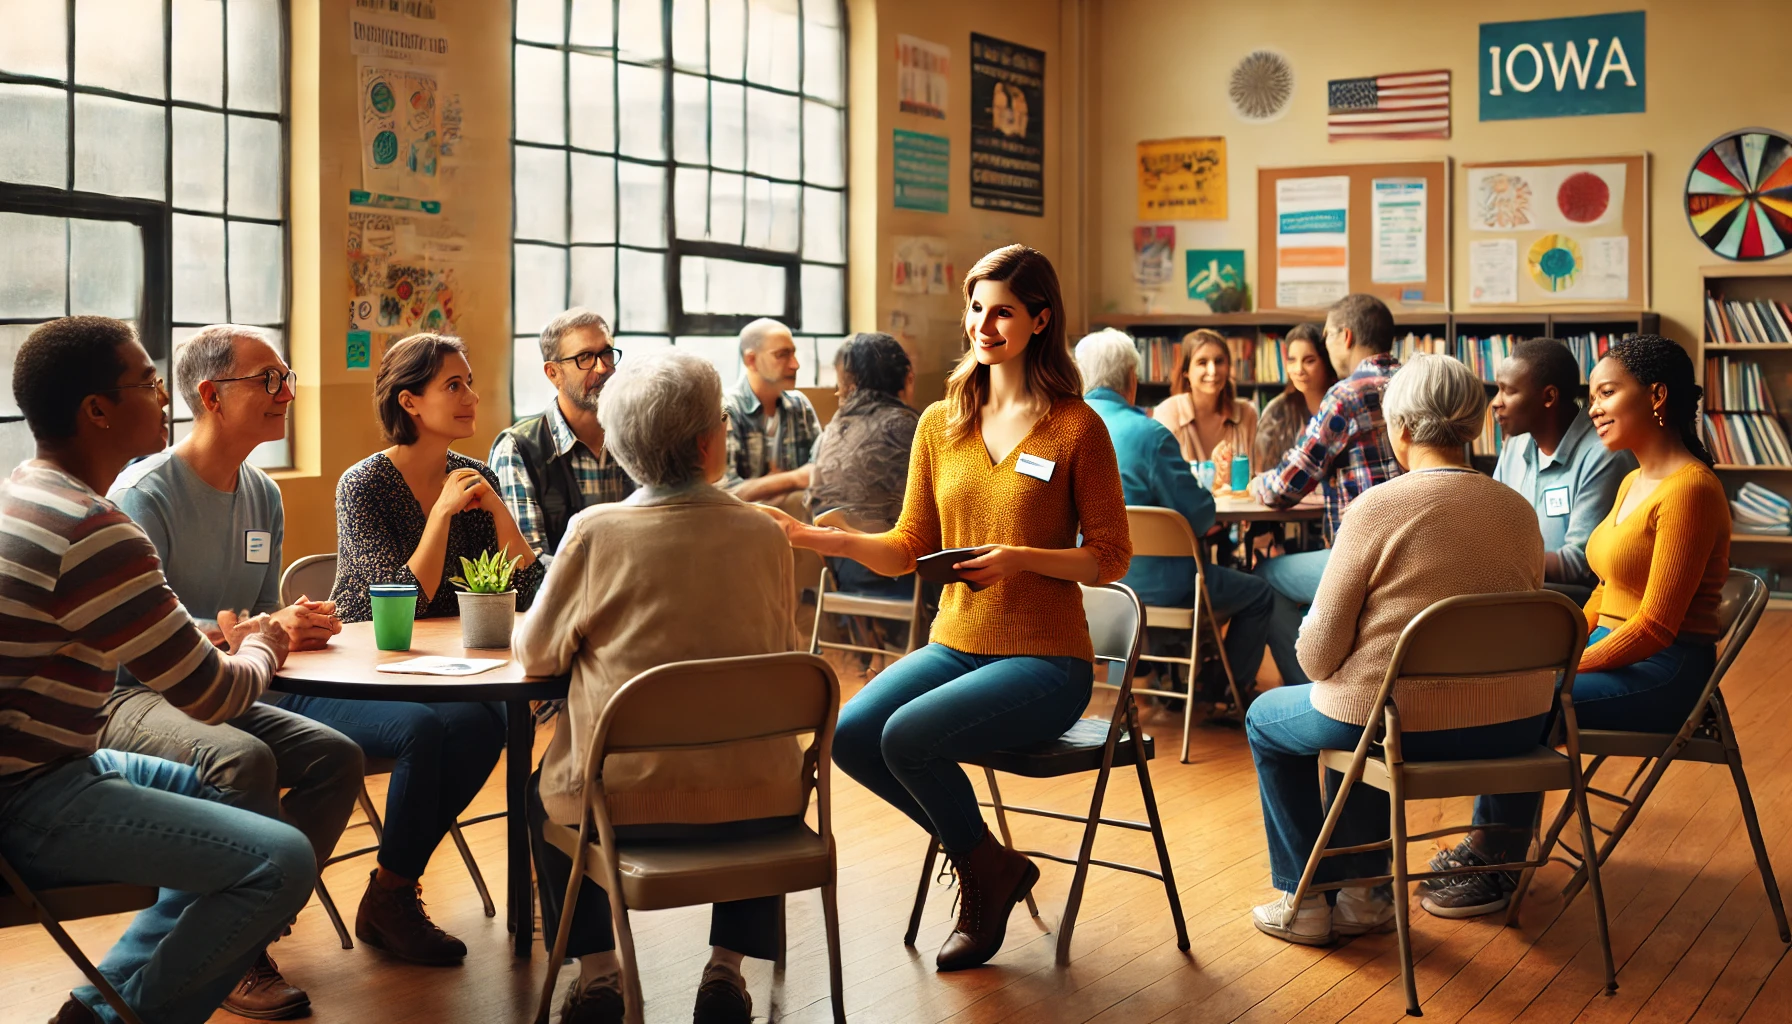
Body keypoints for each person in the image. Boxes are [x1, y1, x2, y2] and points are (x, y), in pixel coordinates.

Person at [760, 245, 1131, 973]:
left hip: (1048, 659)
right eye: (975, 308)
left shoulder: (1077, 427)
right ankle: (986, 860)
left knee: (906, 737)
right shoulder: (941, 422)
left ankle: (980, 872)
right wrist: (816, 537)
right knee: (853, 733)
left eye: (1002, 311)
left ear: (1039, 320)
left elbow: (1111, 557)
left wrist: (1024, 558)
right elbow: (907, 549)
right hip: (957, 640)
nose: (982, 324)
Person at [0, 316, 314, 1024]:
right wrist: (267, 640)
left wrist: (233, 634)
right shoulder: (97, 527)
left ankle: (95, 1006)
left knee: (227, 793)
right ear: (97, 411)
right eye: (146, 381)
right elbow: (214, 694)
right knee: (282, 860)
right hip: (30, 795)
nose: (164, 395)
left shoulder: (28, 487)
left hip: (57, 766)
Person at [517, 349, 805, 1024]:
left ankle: (598, 976)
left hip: (621, 807)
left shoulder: (595, 533)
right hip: (764, 802)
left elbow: (535, 654)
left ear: (622, 448)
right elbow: (781, 657)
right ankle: (725, 973)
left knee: (539, 794)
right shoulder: (767, 534)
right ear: (709, 443)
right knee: (759, 751)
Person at [102, 325, 362, 1019]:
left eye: (287, 378)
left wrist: (292, 623)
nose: (286, 394)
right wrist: (254, 633)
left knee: (336, 758)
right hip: (130, 692)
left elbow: (248, 622)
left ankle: (237, 924)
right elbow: (134, 639)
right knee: (242, 760)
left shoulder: (262, 494)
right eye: (269, 380)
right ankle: (236, 948)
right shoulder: (143, 494)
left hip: (215, 682)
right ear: (212, 396)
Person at [1244, 353, 1549, 946]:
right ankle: (1364, 896)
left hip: (1398, 724)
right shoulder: (1518, 511)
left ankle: (1308, 900)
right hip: (1515, 725)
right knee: (1366, 704)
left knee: (1282, 717)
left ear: (1400, 429)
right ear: (1475, 426)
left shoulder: (1377, 508)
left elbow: (1315, 659)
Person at [1422, 335, 1731, 919]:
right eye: (1591, 395)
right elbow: (1605, 591)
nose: (1592, 408)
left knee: (1525, 698)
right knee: (1515, 678)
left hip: (1664, 671)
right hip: (1611, 646)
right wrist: (1562, 643)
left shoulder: (1690, 489)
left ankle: (1497, 859)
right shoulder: (1632, 481)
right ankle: (1495, 844)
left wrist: (1565, 666)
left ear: (1657, 396)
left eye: (1607, 393)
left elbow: (1657, 627)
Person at [294, 334, 545, 965]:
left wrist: (500, 516)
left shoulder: (477, 476)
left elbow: (532, 590)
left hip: (447, 668)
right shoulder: (365, 486)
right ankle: (393, 896)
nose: (471, 396)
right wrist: (439, 519)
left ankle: (390, 890)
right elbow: (400, 600)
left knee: (487, 724)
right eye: (453, 385)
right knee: (430, 731)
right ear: (410, 401)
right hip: (365, 671)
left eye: (469, 382)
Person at [1074, 328, 1293, 698]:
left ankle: (1138, 678)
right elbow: (1201, 515)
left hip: (1086, 583)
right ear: (1132, 377)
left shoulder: (1057, 429)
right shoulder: (1151, 435)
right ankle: (1226, 691)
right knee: (1258, 594)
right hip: (1163, 587)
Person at [1248, 294, 1406, 687]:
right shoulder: (1417, 382)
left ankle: (1312, 691)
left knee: (1265, 576)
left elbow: (1286, 485)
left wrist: (1257, 483)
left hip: (1360, 559)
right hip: (1415, 553)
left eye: (1328, 336)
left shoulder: (1347, 394)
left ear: (1345, 336)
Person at [489, 308, 638, 566]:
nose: (602, 367)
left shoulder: (638, 435)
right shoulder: (518, 449)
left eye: (606, 353)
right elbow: (529, 564)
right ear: (553, 373)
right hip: (563, 604)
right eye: (585, 357)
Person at [1491, 338, 1636, 602]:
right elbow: (1492, 525)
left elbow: (1581, 563)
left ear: (1549, 397)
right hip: (1515, 595)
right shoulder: (1515, 444)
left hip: (1571, 605)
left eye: (1508, 391)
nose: (1496, 402)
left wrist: (1498, 563)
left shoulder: (1605, 454)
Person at [808, 332, 920, 599]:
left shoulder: (829, 433)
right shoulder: (913, 428)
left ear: (849, 386)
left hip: (844, 580)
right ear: (907, 378)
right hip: (902, 580)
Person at [722, 318, 823, 504]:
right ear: (750, 360)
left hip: (798, 526)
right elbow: (724, 493)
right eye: (782, 355)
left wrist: (764, 487)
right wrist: (795, 478)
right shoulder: (727, 409)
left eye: (793, 354)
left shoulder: (799, 406)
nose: (795, 364)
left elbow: (823, 472)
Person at [1153, 327, 1258, 469]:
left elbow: (1257, 477)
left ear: (1228, 368)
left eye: (1219, 361)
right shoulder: (1168, 413)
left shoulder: (1247, 413)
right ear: (1186, 372)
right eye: (1202, 362)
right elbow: (1162, 477)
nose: (1212, 371)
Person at [1253, 322, 1339, 471]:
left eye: (1309, 361)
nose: (1299, 370)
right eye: (1292, 360)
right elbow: (1262, 471)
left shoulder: (1343, 402)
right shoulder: (1277, 412)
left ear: (1326, 362)